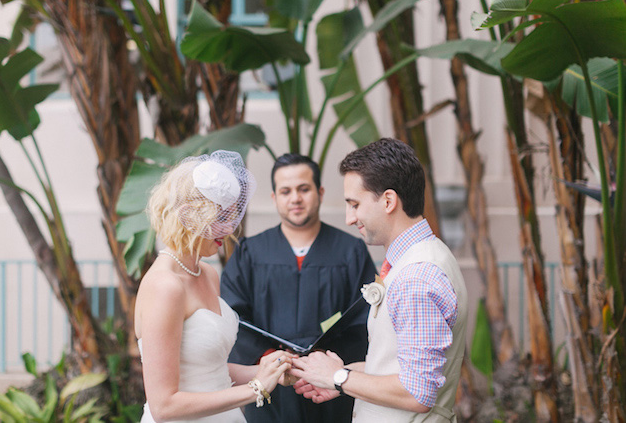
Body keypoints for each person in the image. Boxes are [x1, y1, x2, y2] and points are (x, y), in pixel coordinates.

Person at [291, 138, 468, 422]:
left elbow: (416, 393)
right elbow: (401, 367)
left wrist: (338, 377)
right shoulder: (425, 257)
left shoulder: (417, 277)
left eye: (355, 204)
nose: (350, 218)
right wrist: (342, 376)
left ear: (388, 201)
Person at [135, 150, 294, 423]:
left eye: (233, 216)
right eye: (221, 218)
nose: (230, 228)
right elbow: (164, 406)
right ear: (188, 215)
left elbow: (209, 370)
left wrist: (267, 370)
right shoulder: (165, 286)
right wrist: (255, 388)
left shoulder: (207, 273)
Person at [221, 153, 377, 423]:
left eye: (304, 189)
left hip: (328, 386)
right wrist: (271, 360)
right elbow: (234, 316)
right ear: (274, 198)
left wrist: (326, 363)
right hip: (270, 385)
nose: (295, 198)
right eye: (286, 191)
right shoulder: (250, 252)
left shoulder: (350, 252)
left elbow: (362, 320)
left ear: (320, 192)